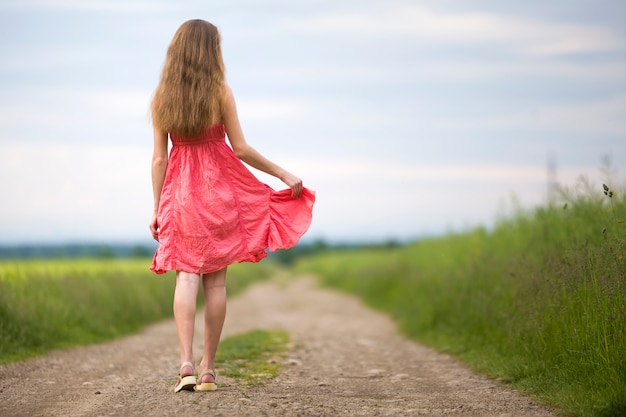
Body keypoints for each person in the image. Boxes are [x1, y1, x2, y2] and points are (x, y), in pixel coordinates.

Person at [148, 19, 315, 393]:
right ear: (212, 51)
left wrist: (158, 207)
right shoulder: (220, 92)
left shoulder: (162, 98)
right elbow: (239, 148)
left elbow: (159, 160)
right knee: (216, 282)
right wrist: (282, 174)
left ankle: (185, 365)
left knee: (186, 276)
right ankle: (208, 369)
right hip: (220, 192)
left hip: (182, 196)